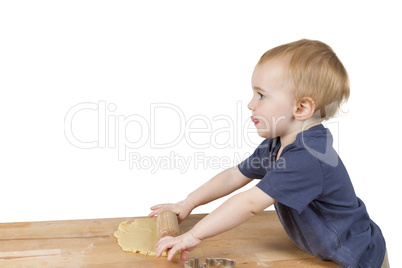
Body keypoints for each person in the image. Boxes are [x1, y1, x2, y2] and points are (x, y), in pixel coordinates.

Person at [148, 39, 388, 268]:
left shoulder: (308, 158)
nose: (251, 104)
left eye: (261, 95)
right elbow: (235, 175)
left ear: (301, 108)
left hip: (358, 257)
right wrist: (188, 202)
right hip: (326, 250)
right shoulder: (277, 144)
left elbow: (250, 203)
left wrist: (193, 236)